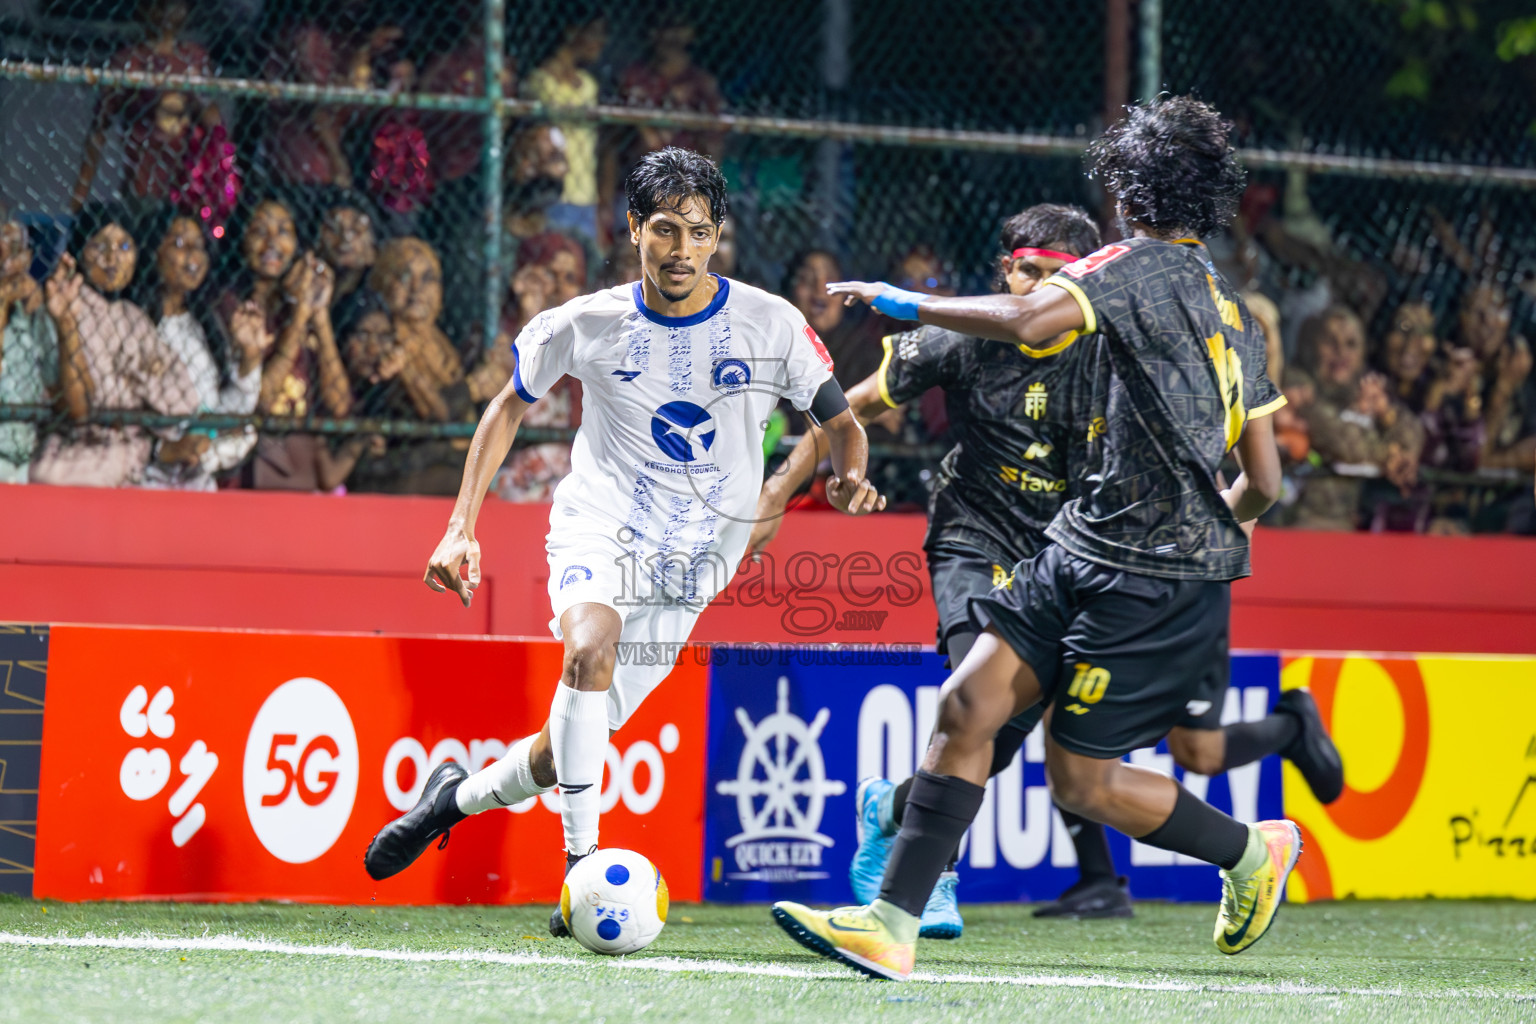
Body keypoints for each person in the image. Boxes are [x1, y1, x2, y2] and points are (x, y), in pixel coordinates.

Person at [771, 96, 1301, 980]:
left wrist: (909, 301)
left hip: (1146, 576)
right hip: (1087, 546)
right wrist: (1210, 522)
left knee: (1079, 782)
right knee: (971, 706)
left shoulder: (1129, 265)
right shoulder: (1235, 309)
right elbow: (1269, 484)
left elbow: (1025, 322)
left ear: (1130, 192)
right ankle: (890, 925)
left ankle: (1251, 852)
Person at [362, 148, 883, 940]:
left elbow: (840, 424)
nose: (680, 251)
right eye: (664, 230)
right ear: (633, 227)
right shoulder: (588, 323)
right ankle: (581, 869)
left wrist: (847, 478)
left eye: (698, 233)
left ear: (718, 237)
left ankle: (452, 799)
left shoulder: (770, 323)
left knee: (565, 749)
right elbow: (506, 408)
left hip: (698, 561)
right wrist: (459, 525)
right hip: (602, 524)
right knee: (588, 648)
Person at [31, 209, 198, 487]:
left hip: (129, 465)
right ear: (80, 253)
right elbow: (88, 405)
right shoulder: (64, 305)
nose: (113, 258)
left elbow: (182, 405)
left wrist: (137, 378)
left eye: (124, 246)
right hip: (75, 462)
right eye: (99, 245)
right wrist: (143, 379)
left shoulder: (134, 317)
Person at [138, 213, 265, 490]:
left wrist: (250, 356)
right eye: (181, 243)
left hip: (196, 484)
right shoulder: (136, 322)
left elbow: (232, 409)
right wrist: (164, 448)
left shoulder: (205, 325)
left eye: (200, 246)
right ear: (154, 249)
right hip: (142, 482)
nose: (193, 255)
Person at [523, 17, 607, 247]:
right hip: (553, 189)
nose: (601, 41)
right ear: (572, 32)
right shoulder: (541, 81)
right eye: (595, 33)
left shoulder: (589, 84)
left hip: (585, 191)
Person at [0, 219, 59, 484]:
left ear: (27, 259)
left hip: (27, 460)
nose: (5, 260)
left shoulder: (31, 311)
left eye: (14, 250)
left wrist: (41, 307)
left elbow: (56, 379)